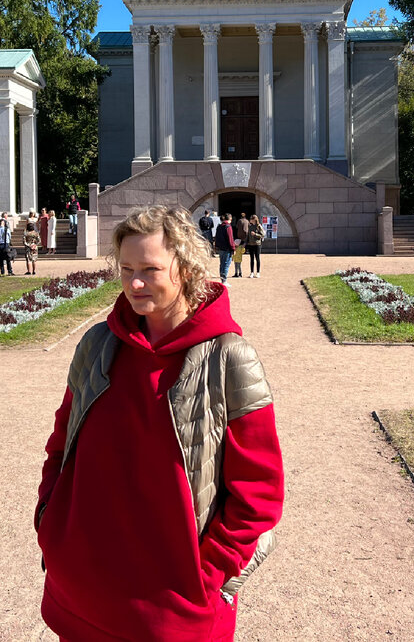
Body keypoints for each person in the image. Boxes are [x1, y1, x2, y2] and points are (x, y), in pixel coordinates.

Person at [35, 205, 284, 641]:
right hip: (80, 591)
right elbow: (62, 444)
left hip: (173, 609)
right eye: (126, 269)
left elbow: (259, 492)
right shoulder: (98, 344)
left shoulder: (229, 358)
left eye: (150, 270)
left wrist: (207, 577)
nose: (134, 283)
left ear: (185, 269)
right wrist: (48, 521)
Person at [213, 213, 236, 284]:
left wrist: (216, 246)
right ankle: (224, 280)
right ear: (230, 219)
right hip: (227, 248)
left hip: (221, 248)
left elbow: (217, 237)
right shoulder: (228, 227)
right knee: (226, 264)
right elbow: (230, 239)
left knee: (222, 264)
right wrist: (233, 248)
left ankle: (222, 279)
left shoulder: (219, 226)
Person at [19, 211, 41, 276]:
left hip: (28, 247)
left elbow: (24, 241)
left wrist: (28, 245)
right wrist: (35, 245)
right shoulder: (36, 233)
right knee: (34, 259)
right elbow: (39, 240)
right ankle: (34, 271)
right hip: (35, 247)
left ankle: (29, 271)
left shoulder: (26, 234)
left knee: (28, 260)